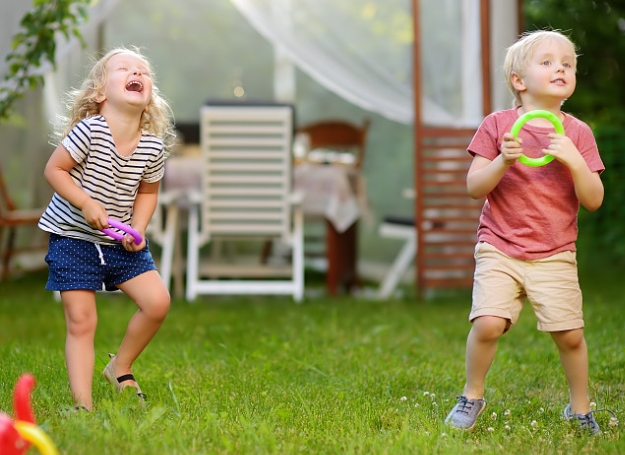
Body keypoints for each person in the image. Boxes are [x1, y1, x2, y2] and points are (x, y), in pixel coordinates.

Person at [444, 30, 608, 434]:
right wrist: (502, 159)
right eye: (548, 62)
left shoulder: (578, 133)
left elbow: (593, 199)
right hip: (499, 246)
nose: (561, 69)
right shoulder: (498, 125)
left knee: (570, 335)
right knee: (487, 324)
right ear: (519, 80)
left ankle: (579, 407)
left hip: (553, 251)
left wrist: (573, 160)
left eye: (567, 64)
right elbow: (473, 187)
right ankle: (472, 395)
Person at [38, 46, 176, 411]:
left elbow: (148, 190)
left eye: (143, 71)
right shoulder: (89, 130)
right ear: (100, 94)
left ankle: (120, 366)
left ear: (149, 97)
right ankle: (84, 407)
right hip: (74, 236)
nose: (137, 73)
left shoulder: (152, 147)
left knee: (158, 302)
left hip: (120, 240)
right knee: (82, 321)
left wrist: (139, 226)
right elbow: (55, 170)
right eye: (124, 69)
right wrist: (85, 202)